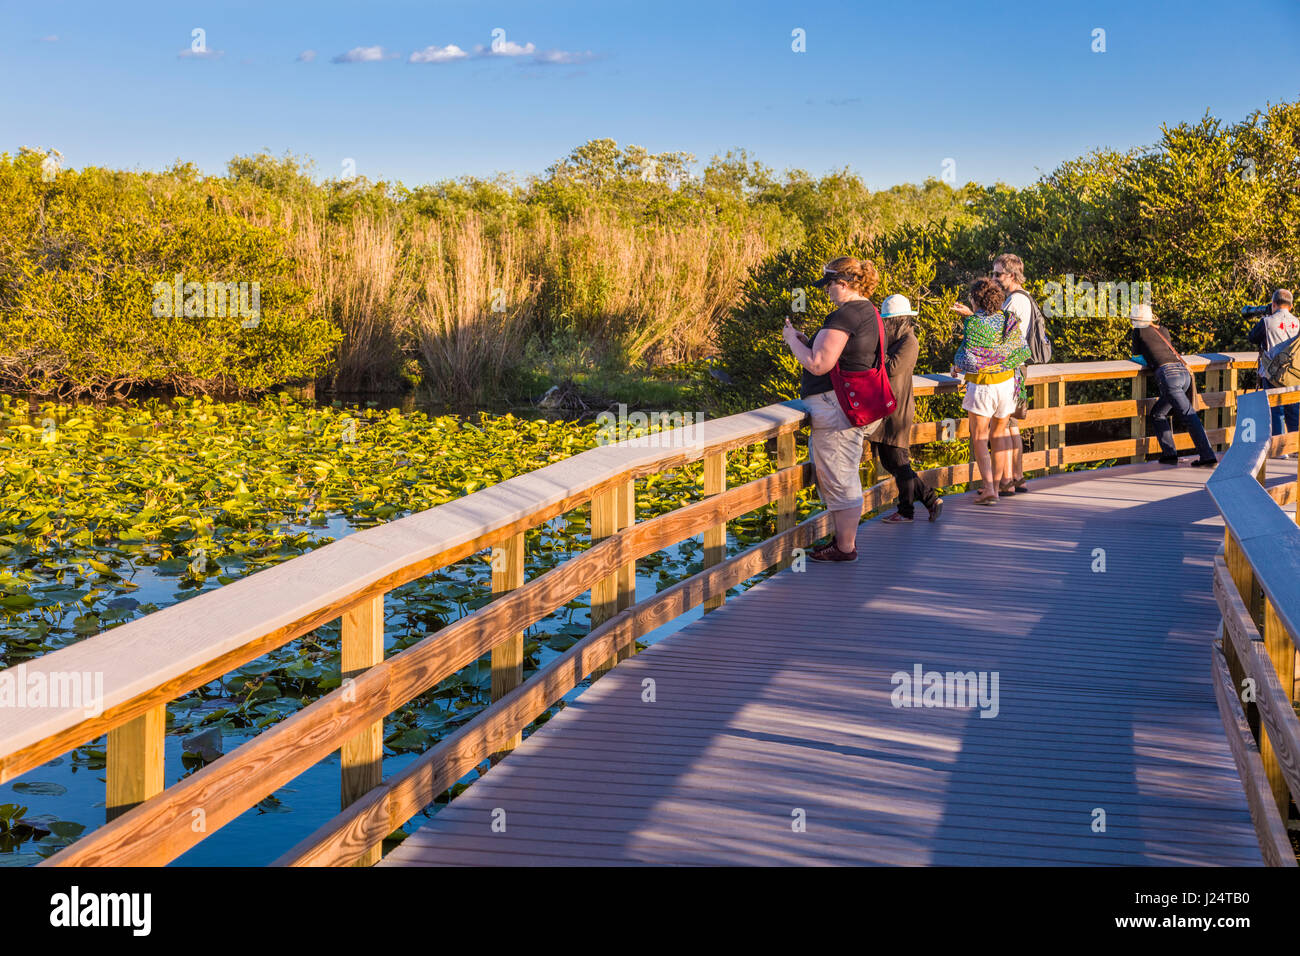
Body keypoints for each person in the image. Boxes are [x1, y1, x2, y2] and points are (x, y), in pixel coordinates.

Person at [781, 257, 884, 562]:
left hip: (835, 410)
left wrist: (791, 341)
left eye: (828, 284)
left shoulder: (846, 314)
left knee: (841, 478)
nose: (826, 291)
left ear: (842, 283)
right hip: (849, 408)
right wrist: (806, 341)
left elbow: (818, 363)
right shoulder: (868, 311)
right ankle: (843, 542)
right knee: (843, 474)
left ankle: (845, 547)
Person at [951, 277, 1029, 505]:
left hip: (983, 387)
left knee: (979, 438)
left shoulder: (974, 324)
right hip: (1007, 385)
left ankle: (988, 489)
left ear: (976, 300)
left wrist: (957, 365)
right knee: (1000, 435)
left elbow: (968, 357)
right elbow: (1017, 350)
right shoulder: (1008, 319)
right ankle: (996, 486)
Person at [874, 294, 942, 523]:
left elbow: (892, 368)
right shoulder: (893, 340)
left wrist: (874, 356)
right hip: (885, 408)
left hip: (897, 411)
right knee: (890, 460)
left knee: (899, 460)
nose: (885, 324)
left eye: (888, 320)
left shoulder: (909, 342)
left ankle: (907, 511)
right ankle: (930, 500)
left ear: (899, 320)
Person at [1130, 303, 1217, 466]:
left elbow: (1136, 357)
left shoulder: (1138, 331)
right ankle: (1169, 455)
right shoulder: (1162, 330)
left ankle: (1208, 456)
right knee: (1157, 413)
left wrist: (1149, 360)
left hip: (1168, 376)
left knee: (1189, 416)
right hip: (1183, 373)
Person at [1248, 288, 1300, 448]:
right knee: (1294, 410)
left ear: (1273, 304)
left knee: (1275, 411)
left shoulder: (1267, 322)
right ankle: (1295, 447)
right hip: (1293, 373)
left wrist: (1265, 318)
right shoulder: (1297, 322)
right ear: (1291, 306)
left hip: (1271, 373)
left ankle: (1280, 449)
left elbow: (1252, 338)